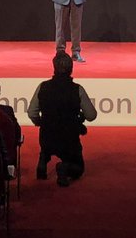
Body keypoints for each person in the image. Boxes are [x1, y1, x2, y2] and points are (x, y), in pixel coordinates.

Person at [28, 52, 97, 186]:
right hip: (69, 139)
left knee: (48, 143)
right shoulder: (77, 89)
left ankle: (43, 159)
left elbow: (32, 112)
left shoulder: (43, 86)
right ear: (71, 69)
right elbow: (91, 115)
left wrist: (40, 122)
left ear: (54, 68)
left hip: (47, 136)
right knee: (79, 168)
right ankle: (64, 167)